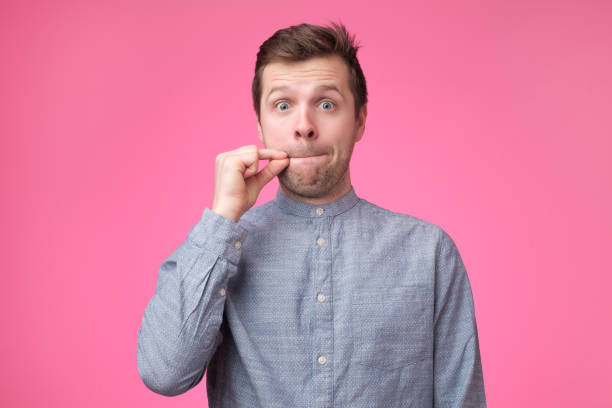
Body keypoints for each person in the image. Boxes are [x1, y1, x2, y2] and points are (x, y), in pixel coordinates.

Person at [137, 22, 487, 407]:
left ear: (359, 120)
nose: (304, 127)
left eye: (326, 104)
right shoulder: (218, 249)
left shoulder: (429, 252)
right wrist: (223, 218)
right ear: (260, 123)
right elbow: (164, 373)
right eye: (283, 106)